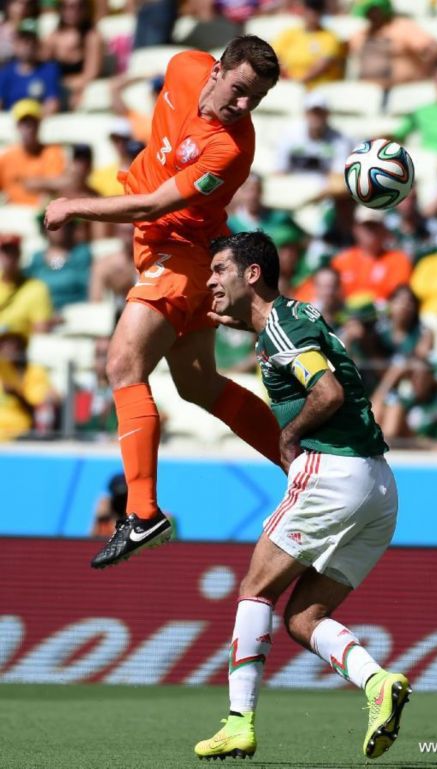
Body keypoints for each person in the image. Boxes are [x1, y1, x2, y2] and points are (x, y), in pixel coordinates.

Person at [44, 36, 284, 570]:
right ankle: (297, 460)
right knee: (198, 384)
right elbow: (162, 145)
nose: (244, 107)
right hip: (167, 249)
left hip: (181, 255)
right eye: (241, 91)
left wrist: (73, 207)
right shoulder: (181, 66)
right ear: (217, 70)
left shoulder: (232, 149)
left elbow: (154, 203)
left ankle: (143, 513)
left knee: (122, 364)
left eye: (257, 100)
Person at [196, 229, 411, 762]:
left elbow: (328, 391)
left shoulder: (278, 328)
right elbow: (290, 346)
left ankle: (238, 722)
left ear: (252, 274)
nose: (210, 280)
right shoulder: (294, 316)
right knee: (302, 620)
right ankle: (378, 684)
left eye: (219, 270)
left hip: (331, 470)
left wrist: (290, 435)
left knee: (255, 589)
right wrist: (224, 317)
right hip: (379, 485)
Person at [349, 0, 437, 92]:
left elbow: (434, 49)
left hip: (404, 91)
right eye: (368, 10)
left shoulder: (403, 27)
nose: (371, 14)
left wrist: (423, 73)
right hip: (367, 92)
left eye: (374, 10)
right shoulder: (361, 34)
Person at [0, 99, 66, 206]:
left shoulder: (52, 152)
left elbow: (61, 184)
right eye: (24, 122)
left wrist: (36, 183)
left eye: (32, 122)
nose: (29, 127)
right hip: (12, 215)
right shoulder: (7, 157)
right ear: (17, 126)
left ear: (39, 124)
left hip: (42, 216)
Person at [40, 0, 103, 110]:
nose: (73, 11)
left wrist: (69, 85)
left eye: (78, 7)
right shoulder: (54, 36)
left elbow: (91, 73)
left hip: (75, 87)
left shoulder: (93, 37)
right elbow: (40, 63)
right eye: (67, 7)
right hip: (54, 88)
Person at [272, 0, 345, 91]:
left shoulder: (330, 37)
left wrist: (297, 82)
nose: (312, 13)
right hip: (287, 84)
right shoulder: (289, 33)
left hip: (318, 88)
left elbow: (322, 65)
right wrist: (285, 77)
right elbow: (275, 57)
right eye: (309, 9)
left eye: (316, 10)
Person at [0, 329, 58, 441]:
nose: (6, 347)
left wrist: (16, 394)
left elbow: (41, 404)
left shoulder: (35, 371)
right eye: (2, 343)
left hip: (21, 435)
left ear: (22, 345)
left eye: (11, 342)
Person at [25, 221, 92, 312]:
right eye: (52, 226)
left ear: (71, 228)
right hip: (40, 312)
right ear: (44, 229)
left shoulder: (81, 253)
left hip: (75, 311)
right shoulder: (37, 258)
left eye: (63, 225)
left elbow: (87, 284)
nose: (58, 229)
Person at [0, 19, 62, 113]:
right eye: (23, 41)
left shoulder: (49, 70)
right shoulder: (5, 73)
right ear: (15, 45)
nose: (28, 45)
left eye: (32, 41)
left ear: (38, 44)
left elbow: (52, 104)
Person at [0, 234, 53, 338]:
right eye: (5, 252)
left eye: (13, 253)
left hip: (18, 348)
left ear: (19, 255)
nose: (9, 258)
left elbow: (41, 331)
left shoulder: (37, 288)